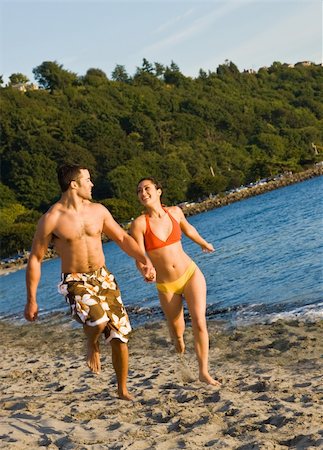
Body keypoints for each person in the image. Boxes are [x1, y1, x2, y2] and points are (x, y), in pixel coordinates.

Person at [24, 164, 155, 401]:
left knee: (120, 335)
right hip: (75, 280)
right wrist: (31, 299)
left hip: (103, 277)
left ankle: (122, 389)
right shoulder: (51, 219)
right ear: (74, 184)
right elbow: (35, 258)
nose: (92, 184)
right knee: (98, 318)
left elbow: (123, 238)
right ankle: (91, 342)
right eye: (88, 179)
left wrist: (144, 260)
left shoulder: (98, 211)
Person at [131, 177, 221, 386]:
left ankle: (203, 372)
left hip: (190, 273)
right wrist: (146, 270)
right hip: (166, 285)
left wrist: (203, 243)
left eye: (147, 189)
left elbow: (189, 229)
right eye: (139, 191)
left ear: (159, 191)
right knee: (178, 332)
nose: (143, 193)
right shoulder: (139, 224)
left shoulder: (175, 212)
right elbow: (138, 255)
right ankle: (180, 348)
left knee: (199, 321)